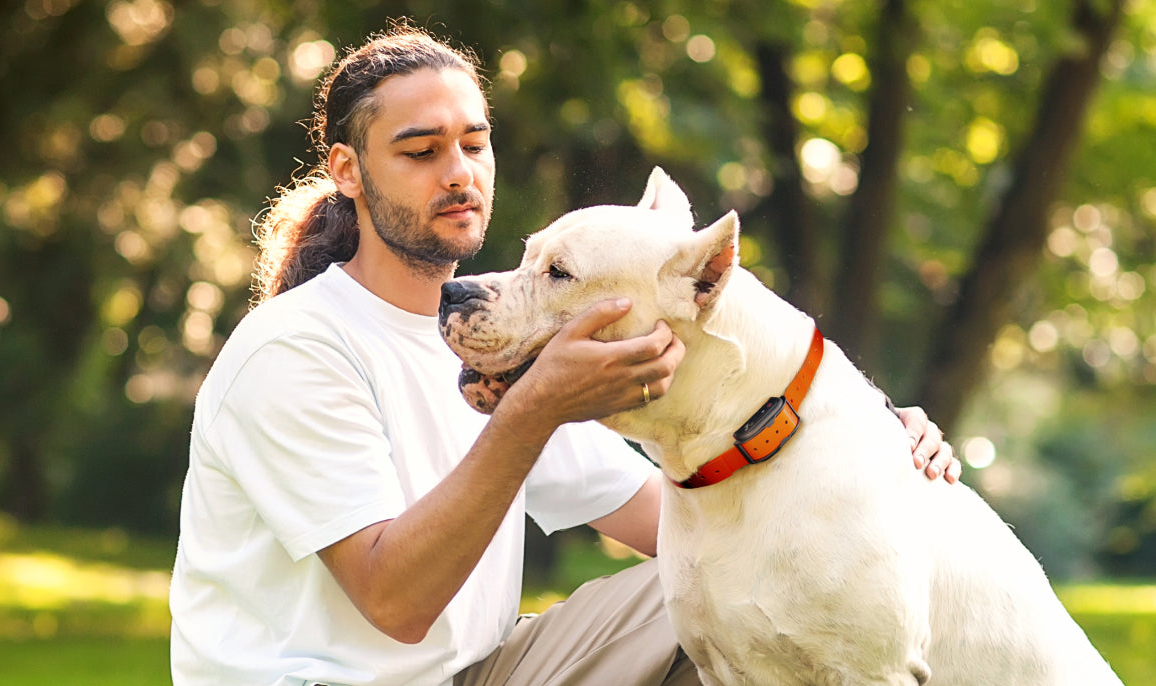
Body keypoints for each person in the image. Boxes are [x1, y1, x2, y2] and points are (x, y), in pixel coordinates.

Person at [169, 24, 960, 686]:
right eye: (420, 152)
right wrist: (536, 407)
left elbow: (681, 523)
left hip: (483, 671)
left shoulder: (508, 338)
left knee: (732, 589)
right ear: (347, 169)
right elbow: (394, 601)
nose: (458, 175)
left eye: (473, 145)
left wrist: (857, 440)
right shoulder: (296, 349)